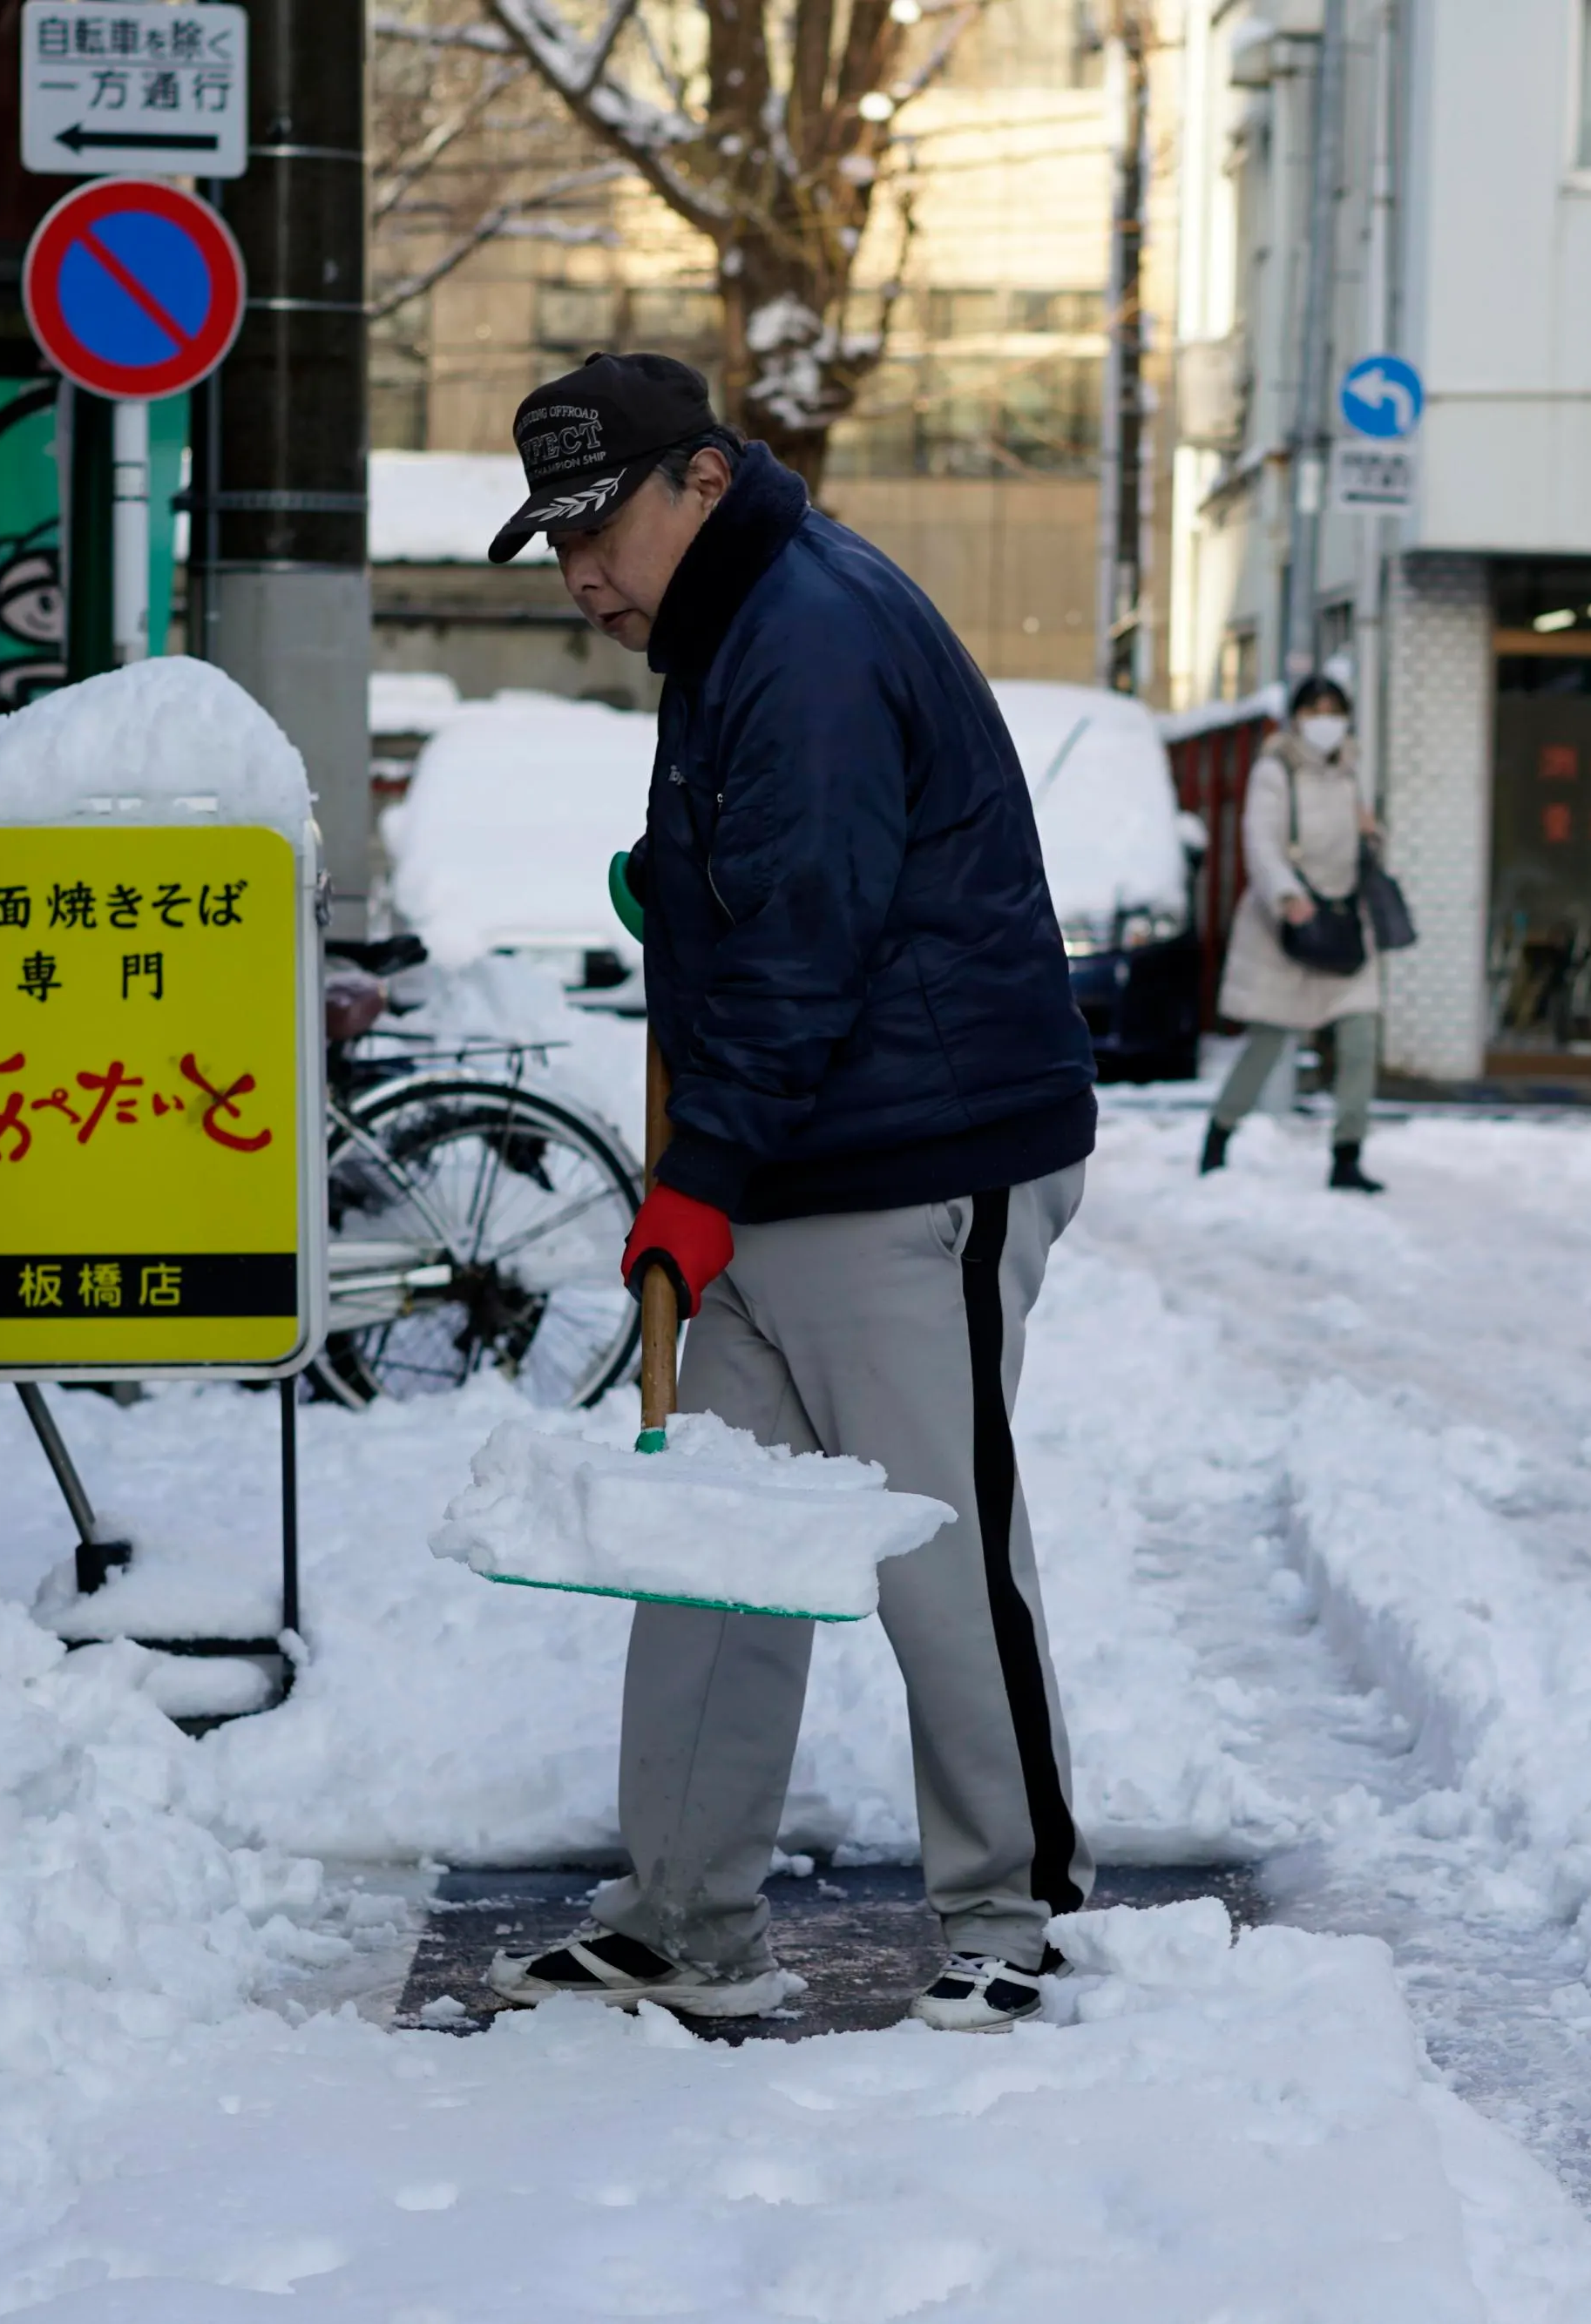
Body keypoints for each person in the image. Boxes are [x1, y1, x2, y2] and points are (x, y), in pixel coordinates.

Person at [475, 354, 1100, 2034]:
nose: (581, 576)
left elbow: (810, 940)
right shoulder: (734, 626)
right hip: (793, 1162)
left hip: (921, 1157)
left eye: (598, 530)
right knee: (716, 1553)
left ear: (699, 481)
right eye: (555, 547)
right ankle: (684, 1914)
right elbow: (780, 891)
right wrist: (679, 885)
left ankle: (1019, 1908)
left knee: (931, 1544)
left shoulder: (806, 634)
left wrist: (702, 1179)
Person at [1200, 673, 1385, 1192]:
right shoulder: (1274, 769)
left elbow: (1362, 847)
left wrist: (1373, 835)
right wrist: (1287, 896)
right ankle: (1218, 1138)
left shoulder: (1350, 771)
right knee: (1267, 1043)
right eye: (1314, 710)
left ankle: (1347, 1155)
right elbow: (1260, 841)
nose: (1325, 721)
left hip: (1344, 926)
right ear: (1297, 717)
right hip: (1285, 931)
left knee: (1360, 1039)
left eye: (1334, 710)